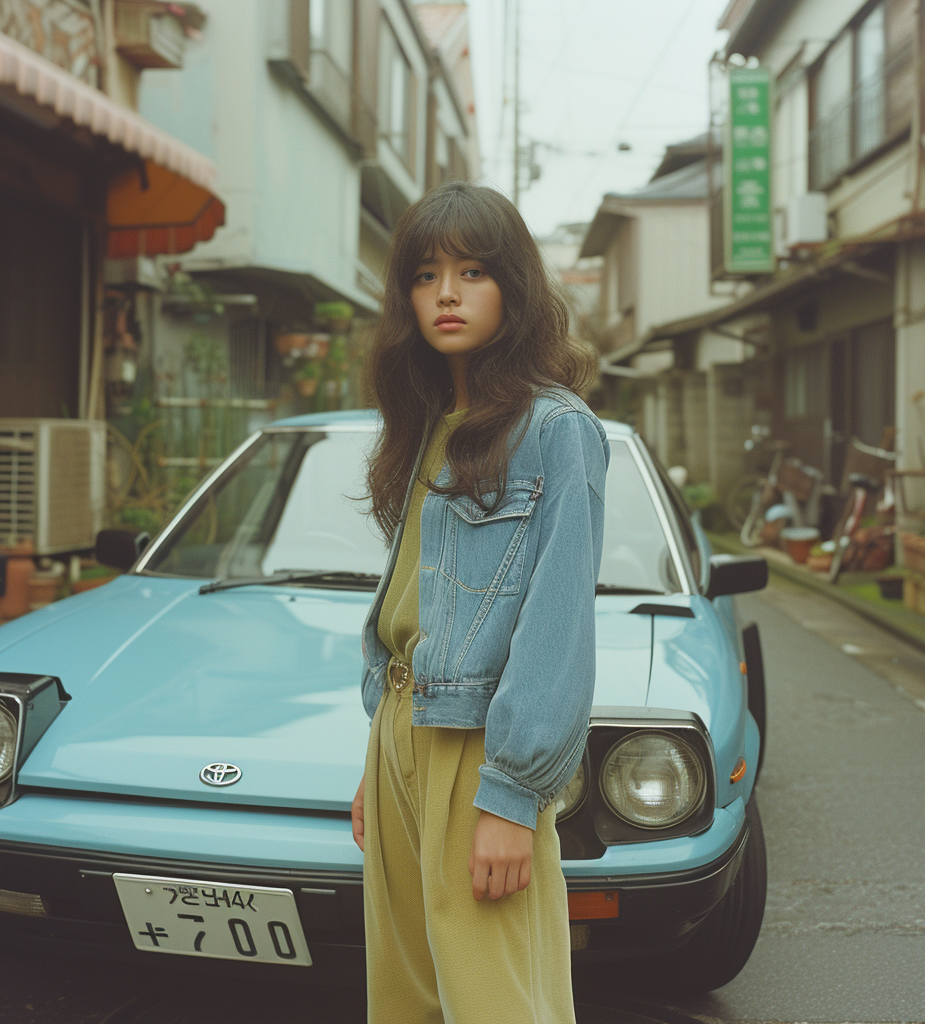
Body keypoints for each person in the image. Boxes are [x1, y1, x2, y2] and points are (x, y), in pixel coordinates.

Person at [350, 180, 608, 1024]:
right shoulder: (430, 421)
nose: (447, 294)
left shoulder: (556, 430)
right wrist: (374, 766)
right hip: (400, 730)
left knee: (496, 1000)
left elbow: (557, 627)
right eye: (426, 276)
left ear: (516, 287)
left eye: (472, 272)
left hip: (479, 748)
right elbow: (411, 615)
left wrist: (512, 794)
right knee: (407, 1000)